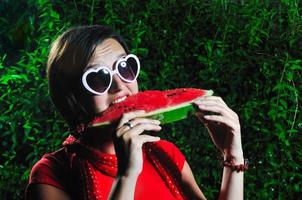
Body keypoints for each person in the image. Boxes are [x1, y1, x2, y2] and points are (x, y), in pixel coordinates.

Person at [26, 25, 246, 200]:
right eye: (97, 78)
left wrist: (232, 155)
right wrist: (127, 175)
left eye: (124, 67)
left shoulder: (165, 153)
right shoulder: (50, 175)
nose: (119, 85)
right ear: (71, 97)